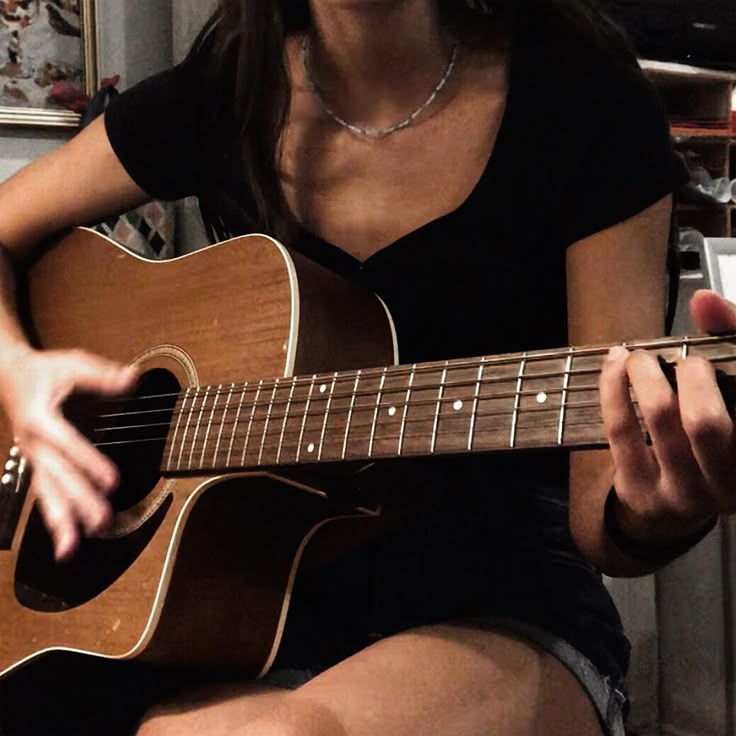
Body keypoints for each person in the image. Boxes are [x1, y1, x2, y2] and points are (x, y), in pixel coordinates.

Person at [0, 1, 734, 734]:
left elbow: (603, 511)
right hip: (240, 600)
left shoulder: (585, 97)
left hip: (504, 599)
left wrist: (658, 509)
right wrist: (21, 378)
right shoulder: (231, 87)